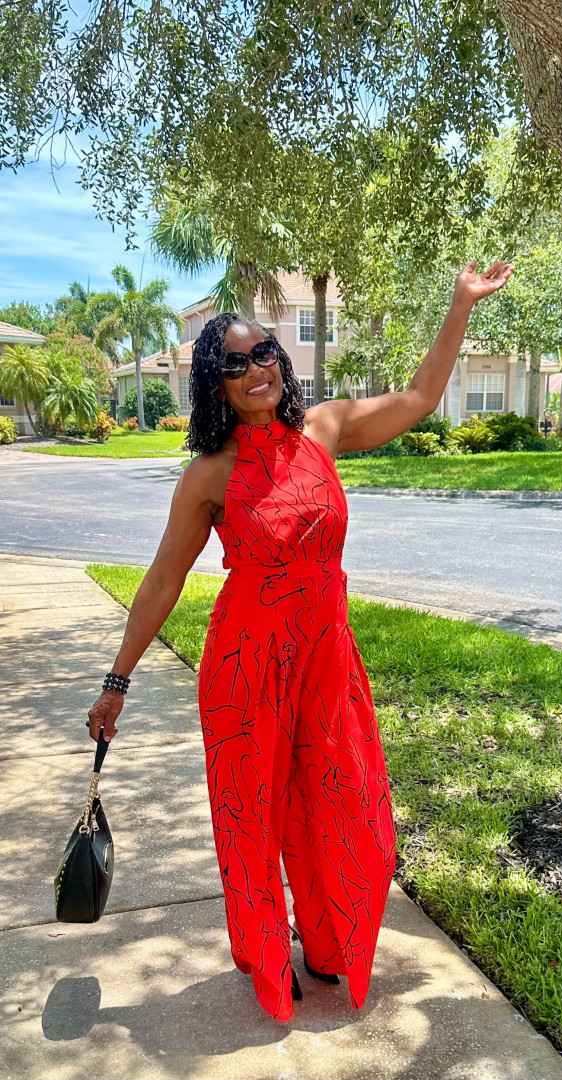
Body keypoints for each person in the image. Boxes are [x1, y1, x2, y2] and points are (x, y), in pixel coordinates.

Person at [86, 259, 514, 1022]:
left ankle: (326, 941)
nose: (256, 369)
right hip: (246, 664)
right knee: (253, 818)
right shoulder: (209, 476)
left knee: (345, 808)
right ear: (214, 386)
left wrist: (460, 306)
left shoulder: (325, 429)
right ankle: (265, 953)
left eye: (264, 353)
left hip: (324, 658)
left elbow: (419, 399)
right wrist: (116, 682)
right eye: (235, 364)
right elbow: (161, 581)